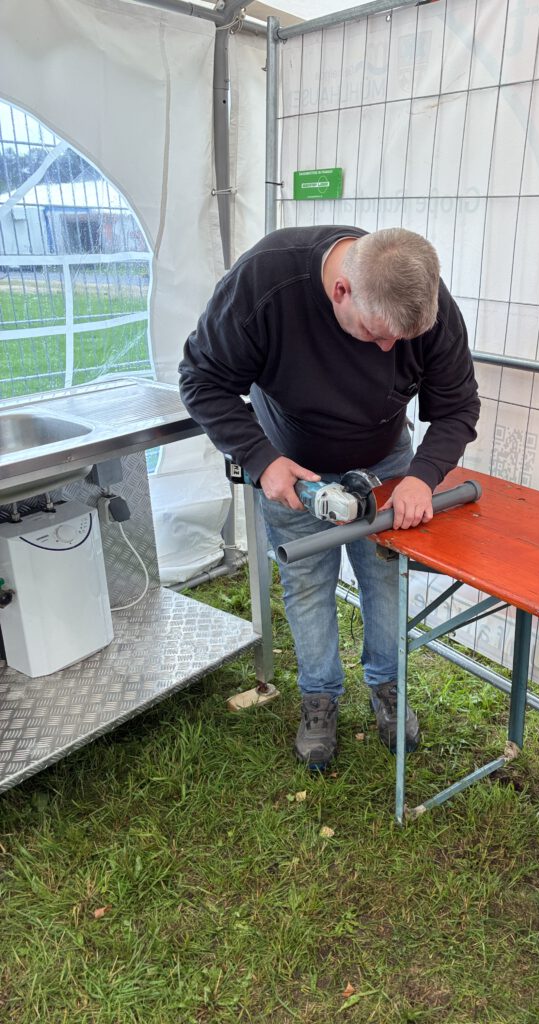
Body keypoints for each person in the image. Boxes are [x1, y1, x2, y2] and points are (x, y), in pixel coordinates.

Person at [178, 225, 480, 770]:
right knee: (307, 583)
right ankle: (319, 696)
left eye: (401, 341)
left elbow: (458, 405)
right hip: (294, 469)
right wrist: (261, 459)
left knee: (384, 578)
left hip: (386, 463)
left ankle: (388, 686)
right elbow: (202, 380)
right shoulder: (264, 283)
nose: (388, 349)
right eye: (375, 334)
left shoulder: (423, 302)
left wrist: (423, 475)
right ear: (341, 290)